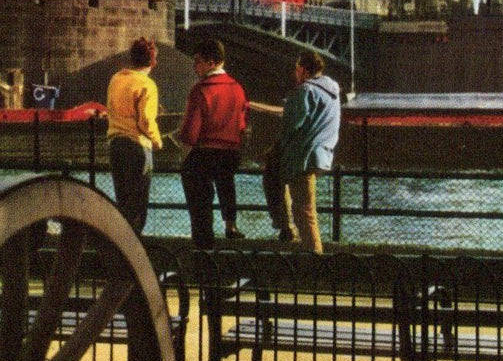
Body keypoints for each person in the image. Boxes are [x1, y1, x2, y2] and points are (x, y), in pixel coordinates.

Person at [262, 49, 341, 253]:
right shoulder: (332, 90)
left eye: (297, 70)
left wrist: (279, 145)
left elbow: (292, 124)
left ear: (303, 70)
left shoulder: (305, 91)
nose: (295, 74)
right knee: (304, 208)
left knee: (304, 212)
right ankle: (287, 229)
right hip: (321, 154)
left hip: (303, 156)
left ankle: (313, 258)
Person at [176, 38, 248, 249]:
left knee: (196, 186)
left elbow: (190, 134)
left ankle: (203, 237)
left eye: (198, 61)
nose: (194, 66)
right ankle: (231, 225)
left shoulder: (200, 90)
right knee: (226, 180)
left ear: (211, 62)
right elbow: (242, 125)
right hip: (231, 153)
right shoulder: (238, 89)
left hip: (206, 153)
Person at [105, 36, 161, 235]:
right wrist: (156, 141)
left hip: (115, 144)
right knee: (138, 204)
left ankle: (122, 247)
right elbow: (145, 120)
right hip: (137, 146)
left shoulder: (116, 79)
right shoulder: (147, 85)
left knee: (123, 201)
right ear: (153, 62)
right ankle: (136, 249)